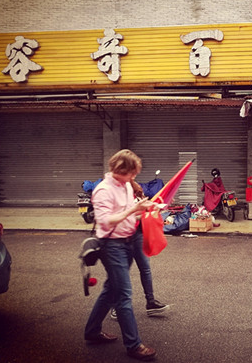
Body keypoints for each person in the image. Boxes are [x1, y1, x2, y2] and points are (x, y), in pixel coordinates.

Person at [84, 149, 157, 361]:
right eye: (131, 173)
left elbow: (128, 211)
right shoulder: (103, 190)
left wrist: (146, 208)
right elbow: (106, 220)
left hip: (129, 240)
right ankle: (134, 345)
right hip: (112, 245)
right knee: (124, 294)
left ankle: (92, 331)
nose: (133, 177)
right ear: (119, 170)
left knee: (111, 289)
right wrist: (132, 210)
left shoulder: (125, 184)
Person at [108, 180, 168, 320]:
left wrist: (153, 209)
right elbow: (124, 217)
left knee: (145, 269)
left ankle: (151, 302)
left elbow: (142, 214)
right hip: (123, 237)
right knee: (121, 273)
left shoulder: (137, 194)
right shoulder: (117, 193)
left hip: (138, 235)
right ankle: (115, 306)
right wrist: (142, 213)